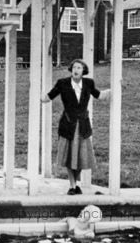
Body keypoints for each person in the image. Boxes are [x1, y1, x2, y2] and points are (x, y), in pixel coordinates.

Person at [42, 59, 110, 195]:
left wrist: (112, 90)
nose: (76, 70)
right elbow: (49, 96)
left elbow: (99, 95)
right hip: (68, 125)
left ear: (83, 70)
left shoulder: (89, 83)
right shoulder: (62, 83)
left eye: (79, 67)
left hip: (83, 125)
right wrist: (37, 95)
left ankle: (76, 185)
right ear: (71, 69)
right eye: (74, 67)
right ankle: (73, 186)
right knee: (69, 156)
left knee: (80, 157)